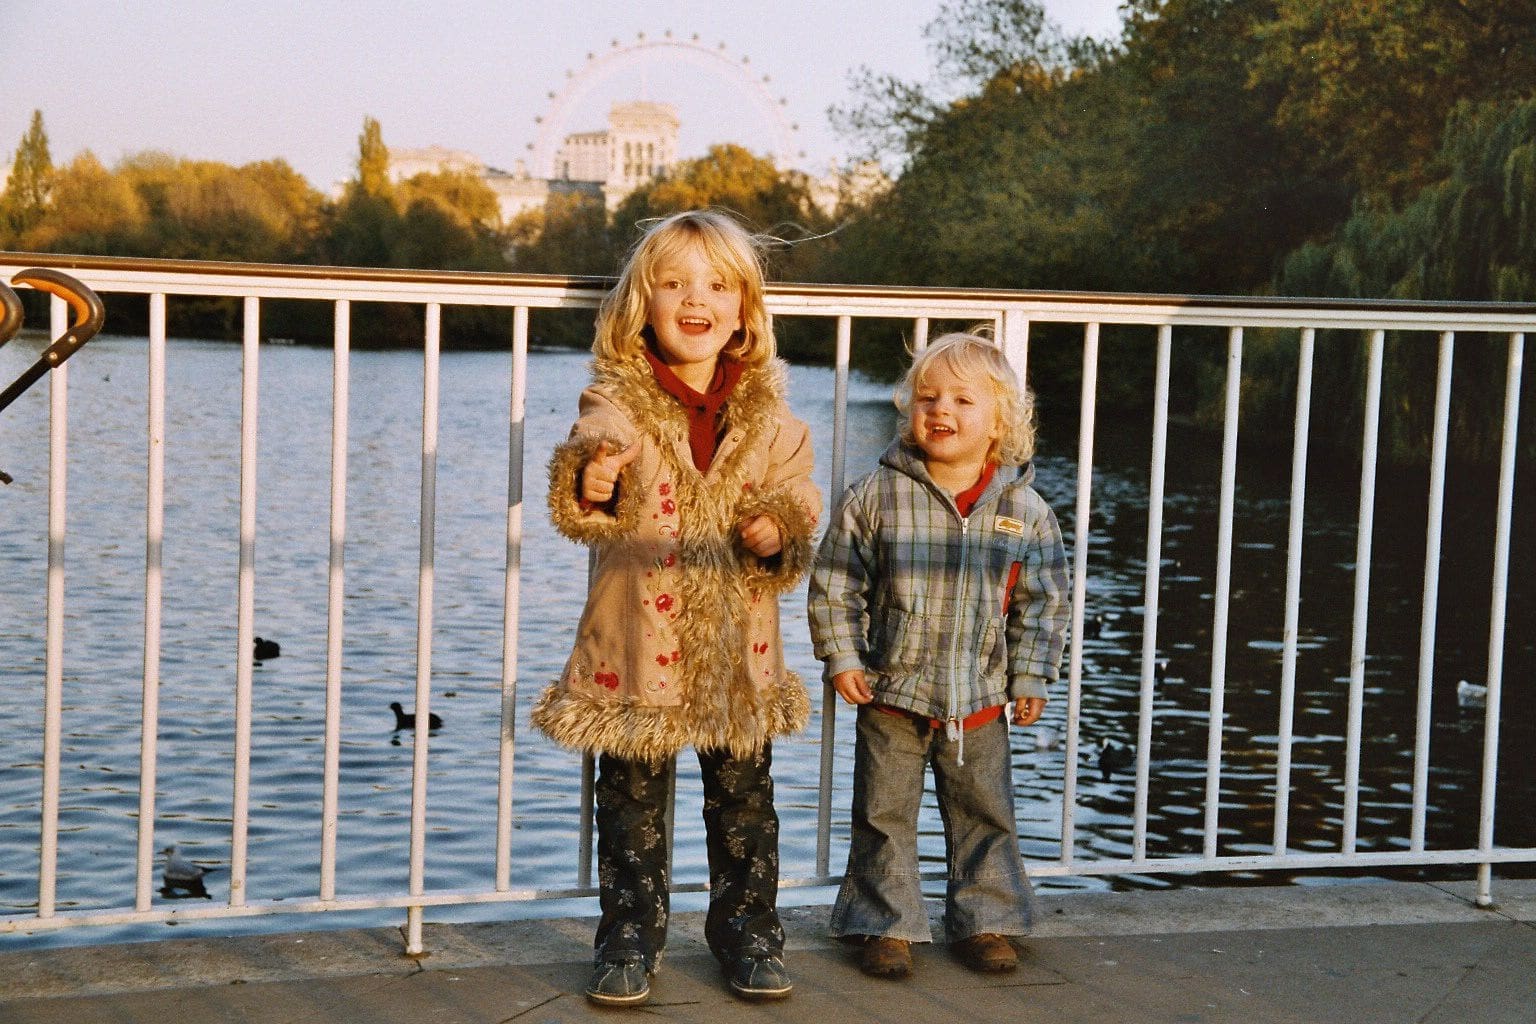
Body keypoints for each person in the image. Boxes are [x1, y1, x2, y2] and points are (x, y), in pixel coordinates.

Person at [532, 209, 820, 1007]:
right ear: (643, 304)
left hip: (736, 645)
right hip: (638, 638)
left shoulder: (771, 415)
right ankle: (628, 936)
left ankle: (749, 933)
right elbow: (598, 435)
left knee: (744, 804)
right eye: (675, 284)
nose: (697, 300)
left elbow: (798, 487)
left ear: (743, 312)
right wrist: (594, 474)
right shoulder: (619, 396)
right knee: (630, 811)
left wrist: (780, 526)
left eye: (717, 286)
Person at [807, 331, 1069, 980]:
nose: (940, 410)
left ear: (999, 422)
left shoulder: (1024, 511)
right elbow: (836, 581)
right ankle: (885, 924)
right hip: (892, 690)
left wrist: (1032, 672)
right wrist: (842, 655)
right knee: (883, 814)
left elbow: (1043, 601)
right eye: (926, 397)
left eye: (961, 399)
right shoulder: (876, 496)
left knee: (985, 813)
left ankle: (985, 921)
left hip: (980, 697)